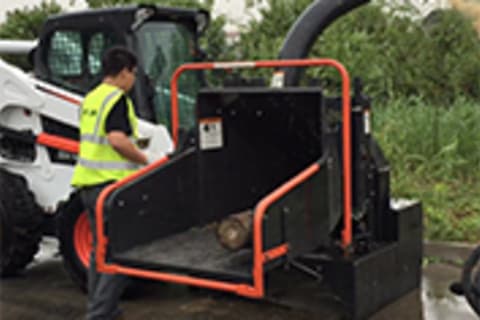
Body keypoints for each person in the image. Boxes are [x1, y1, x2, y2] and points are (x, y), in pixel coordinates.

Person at [71, 46, 148, 320]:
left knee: (99, 252)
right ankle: (99, 314)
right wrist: (143, 159)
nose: (134, 80)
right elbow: (116, 139)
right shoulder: (116, 99)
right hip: (110, 189)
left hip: (87, 185)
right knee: (120, 254)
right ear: (124, 72)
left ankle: (105, 310)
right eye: (134, 74)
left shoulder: (91, 98)